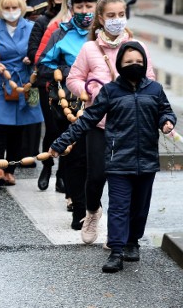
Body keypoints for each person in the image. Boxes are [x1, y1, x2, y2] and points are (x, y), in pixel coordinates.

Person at [49, 41, 176, 273]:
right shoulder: (110, 91)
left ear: (145, 63)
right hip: (118, 160)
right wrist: (61, 142)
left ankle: (132, 242)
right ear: (119, 65)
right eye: (129, 62)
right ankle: (116, 251)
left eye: (138, 61)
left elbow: (165, 111)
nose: (134, 65)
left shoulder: (155, 89)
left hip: (147, 160)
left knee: (140, 207)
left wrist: (167, 122)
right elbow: (88, 119)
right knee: (118, 207)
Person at [65, 0, 156, 244]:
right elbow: (73, 79)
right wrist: (87, 92)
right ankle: (93, 212)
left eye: (120, 14)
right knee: (95, 176)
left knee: (125, 182)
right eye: (111, 15)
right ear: (101, 18)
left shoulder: (137, 47)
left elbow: (151, 81)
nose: (117, 20)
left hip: (129, 126)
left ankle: (118, 233)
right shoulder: (89, 49)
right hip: (100, 124)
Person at [37, 0, 98, 229]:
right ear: (71, 8)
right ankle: (79, 210)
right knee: (74, 159)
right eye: (79, 7)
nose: (84, 11)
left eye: (89, 6)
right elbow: (42, 67)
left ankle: (94, 205)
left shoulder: (104, 34)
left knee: (96, 161)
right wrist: (64, 70)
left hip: (99, 107)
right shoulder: (61, 33)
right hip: (68, 105)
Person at [0, 0, 43, 186]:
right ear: (0, 8)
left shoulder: (32, 27)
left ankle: (11, 170)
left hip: (24, 82)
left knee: (18, 130)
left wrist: (31, 58)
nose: (11, 10)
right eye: (7, 7)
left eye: (15, 7)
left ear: (21, 8)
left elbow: (40, 52)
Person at [27, 0, 66, 191]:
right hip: (47, 83)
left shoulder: (75, 24)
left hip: (69, 85)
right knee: (52, 128)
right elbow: (33, 51)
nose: (62, 4)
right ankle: (47, 166)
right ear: (52, 0)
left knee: (66, 130)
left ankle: (62, 174)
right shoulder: (43, 22)